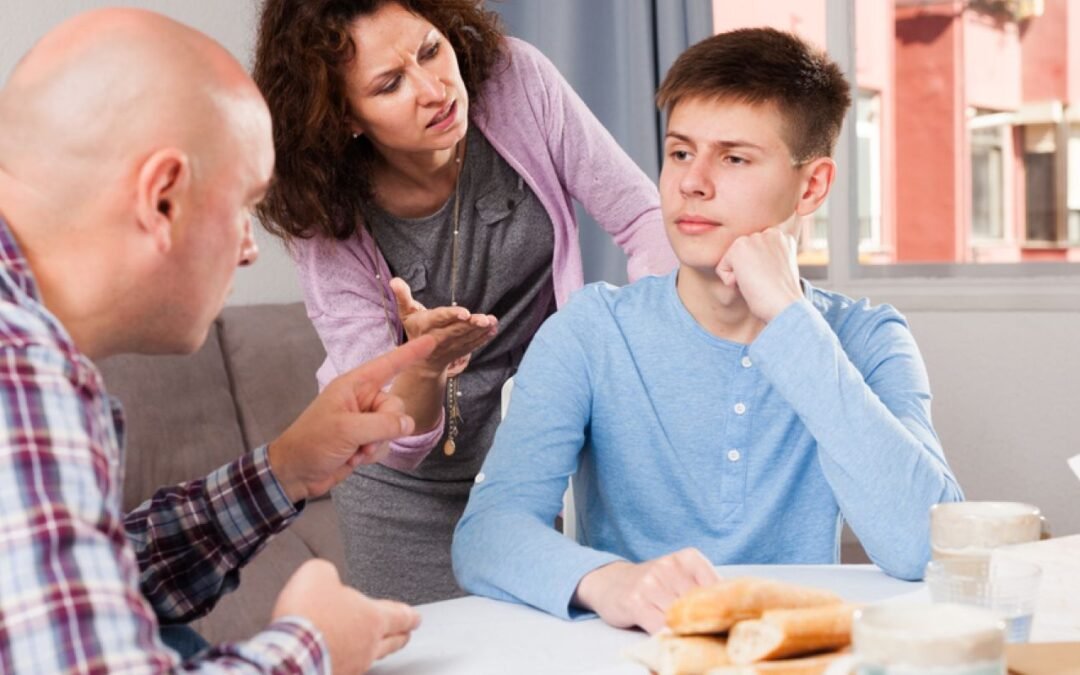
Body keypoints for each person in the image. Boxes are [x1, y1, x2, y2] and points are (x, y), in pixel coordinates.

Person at [452, 27, 964, 634]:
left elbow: (926, 546)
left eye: (734, 157)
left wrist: (790, 321)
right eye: (680, 153)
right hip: (630, 652)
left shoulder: (869, 337)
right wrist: (613, 582)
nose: (691, 182)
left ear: (812, 185)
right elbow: (487, 535)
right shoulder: (590, 332)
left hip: (792, 657)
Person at [0, 8, 433, 672]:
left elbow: (74, 594)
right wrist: (316, 647)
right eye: (242, 205)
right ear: (163, 199)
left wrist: (284, 468)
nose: (249, 249)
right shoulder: (21, 368)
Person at [252, 0, 678, 604]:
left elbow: (641, 218)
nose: (434, 90)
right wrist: (424, 364)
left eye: (431, 51)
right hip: (405, 493)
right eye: (390, 84)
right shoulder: (322, 211)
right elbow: (393, 431)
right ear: (344, 116)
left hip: (538, 460)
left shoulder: (515, 82)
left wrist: (656, 342)